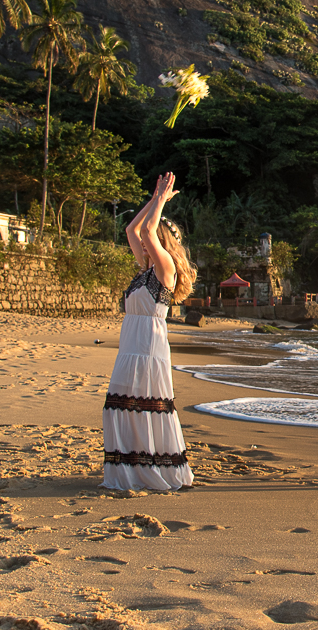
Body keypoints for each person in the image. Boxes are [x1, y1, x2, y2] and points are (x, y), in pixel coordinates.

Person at [102, 171, 197, 491]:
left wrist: (160, 201)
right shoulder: (145, 269)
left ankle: (152, 471)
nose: (143, 242)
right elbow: (132, 229)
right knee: (121, 407)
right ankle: (128, 472)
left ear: (163, 241)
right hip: (130, 346)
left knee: (143, 407)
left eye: (152, 239)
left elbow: (145, 230)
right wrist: (156, 198)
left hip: (147, 347)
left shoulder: (165, 268)